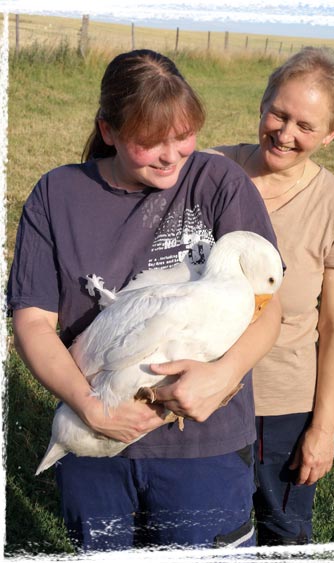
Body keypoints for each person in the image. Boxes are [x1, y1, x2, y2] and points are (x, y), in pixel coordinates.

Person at [7, 49, 283, 552]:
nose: (172, 155)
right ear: (108, 131)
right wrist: (90, 408)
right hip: (95, 448)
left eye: (182, 137)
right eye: (150, 143)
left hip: (205, 449)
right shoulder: (57, 196)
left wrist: (222, 377)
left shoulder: (219, 183)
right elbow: (32, 320)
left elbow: (270, 305)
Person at [208, 46, 334, 545]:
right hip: (204, 395)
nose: (285, 133)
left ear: (332, 133)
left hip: (282, 411)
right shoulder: (209, 171)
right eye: (279, 113)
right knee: (206, 533)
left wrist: (322, 430)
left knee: (284, 530)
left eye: (306, 125)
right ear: (262, 102)